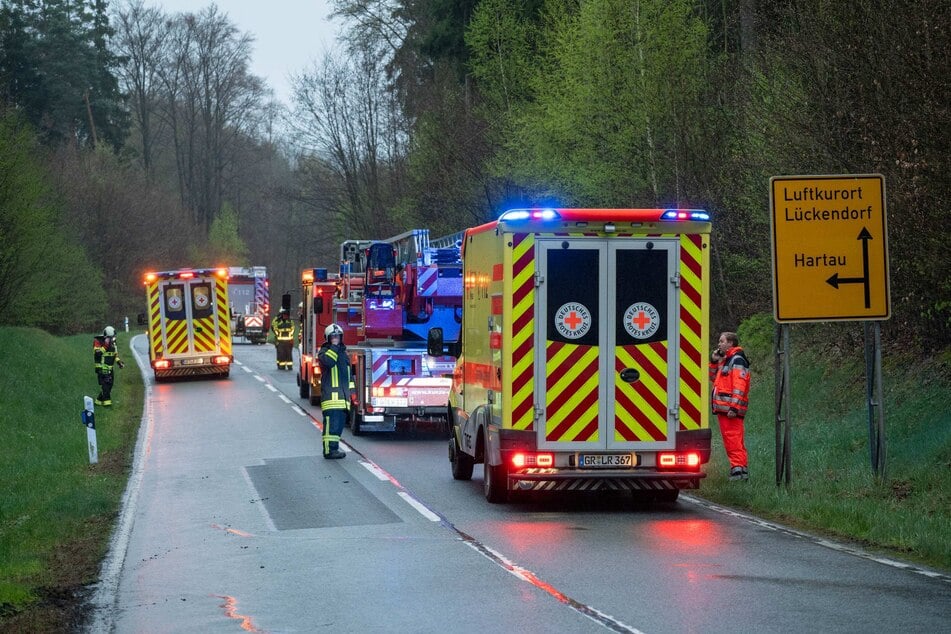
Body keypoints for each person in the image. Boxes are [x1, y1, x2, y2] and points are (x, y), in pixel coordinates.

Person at [710, 331, 751, 481]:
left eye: (722, 341)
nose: (719, 344)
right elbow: (713, 378)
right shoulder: (727, 360)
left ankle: (738, 472)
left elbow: (740, 385)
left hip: (730, 410)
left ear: (730, 343)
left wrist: (734, 407)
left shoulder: (737, 360)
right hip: (725, 409)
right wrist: (714, 361)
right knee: (732, 440)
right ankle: (740, 471)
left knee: (733, 440)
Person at [317, 323, 354, 459]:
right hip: (331, 398)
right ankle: (329, 451)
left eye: (338, 336)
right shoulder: (324, 352)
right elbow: (329, 362)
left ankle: (334, 449)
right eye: (333, 336)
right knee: (331, 427)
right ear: (327, 338)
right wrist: (334, 346)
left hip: (343, 398)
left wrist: (353, 393)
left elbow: (349, 376)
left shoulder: (343, 354)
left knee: (338, 427)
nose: (336, 338)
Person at [94, 326, 124, 406]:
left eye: (113, 337)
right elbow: (97, 353)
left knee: (109, 386)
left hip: (110, 369)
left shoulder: (113, 342)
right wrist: (105, 346)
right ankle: (107, 405)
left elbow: (115, 354)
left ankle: (98, 402)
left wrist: (119, 363)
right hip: (102, 368)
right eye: (111, 337)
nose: (113, 338)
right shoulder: (98, 341)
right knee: (106, 387)